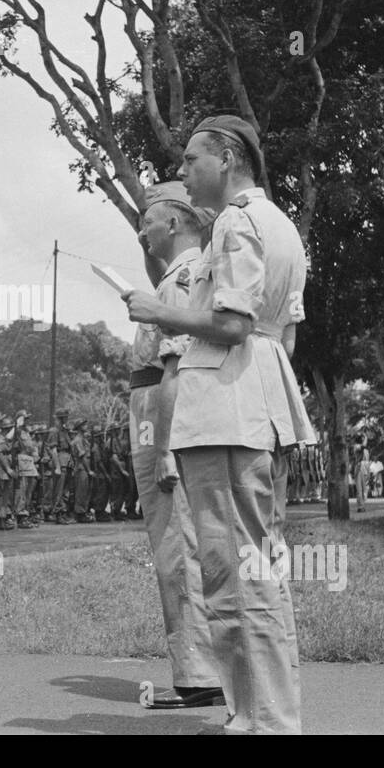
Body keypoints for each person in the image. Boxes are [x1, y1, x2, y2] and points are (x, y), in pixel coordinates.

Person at [125, 114, 316, 734]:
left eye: (191, 160)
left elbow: (233, 325)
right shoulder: (280, 224)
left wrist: (163, 311)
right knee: (257, 571)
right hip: (256, 403)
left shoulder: (235, 221)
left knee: (235, 580)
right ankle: (265, 716)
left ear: (228, 158)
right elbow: (280, 331)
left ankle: (261, 724)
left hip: (226, 411)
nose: (182, 172)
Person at [126, 181, 222, 710]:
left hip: (162, 413)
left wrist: (163, 445)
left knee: (177, 544)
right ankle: (200, 668)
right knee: (177, 542)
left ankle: (199, 673)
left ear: (175, 223)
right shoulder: (171, 278)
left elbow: (174, 368)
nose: (141, 229)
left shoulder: (181, 279)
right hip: (154, 409)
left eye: (148, 219)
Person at [11, 411, 39, 529]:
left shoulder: (26, 432)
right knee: (21, 491)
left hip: (29, 461)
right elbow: (9, 438)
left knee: (29, 490)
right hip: (21, 461)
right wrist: (17, 424)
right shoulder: (16, 431)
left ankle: (26, 513)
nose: (28, 421)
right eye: (25, 419)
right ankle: (21, 516)